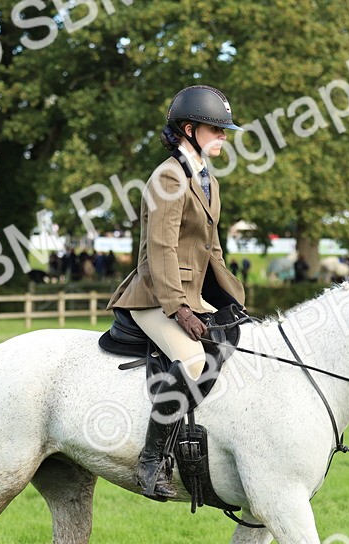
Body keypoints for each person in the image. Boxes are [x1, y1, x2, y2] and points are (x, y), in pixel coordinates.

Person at [107, 85, 246, 500]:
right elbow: (162, 249)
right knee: (190, 359)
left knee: (237, 341)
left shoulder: (208, 180)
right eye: (216, 130)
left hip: (191, 292)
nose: (223, 137)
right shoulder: (168, 176)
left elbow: (212, 249)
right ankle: (151, 462)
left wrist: (233, 301)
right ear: (189, 129)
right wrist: (178, 308)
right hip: (155, 295)